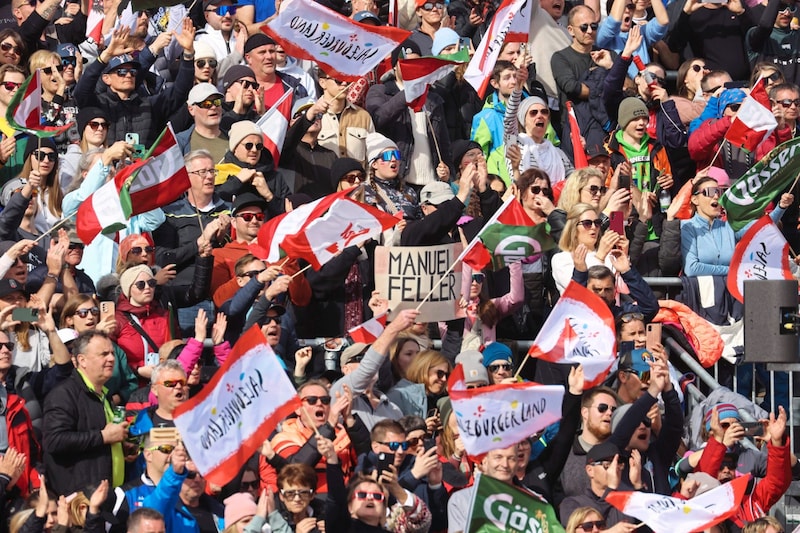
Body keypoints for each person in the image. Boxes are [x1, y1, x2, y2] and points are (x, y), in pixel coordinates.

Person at [73, 23, 197, 147]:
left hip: (144, 165)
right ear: (106, 78)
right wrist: (105, 56)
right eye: (121, 72)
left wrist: (188, 53)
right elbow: (81, 92)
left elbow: (180, 91)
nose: (128, 75)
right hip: (108, 164)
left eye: (132, 72)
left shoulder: (149, 105)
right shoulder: (99, 104)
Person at [42, 330, 129, 495]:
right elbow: (54, 441)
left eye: (112, 353)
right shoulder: (64, 394)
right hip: (79, 502)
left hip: (108, 496)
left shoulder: (104, 395)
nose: (111, 358)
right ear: (82, 360)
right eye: (103, 354)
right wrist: (103, 437)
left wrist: (120, 449)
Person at [447, 445, 520, 533]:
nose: (505, 464)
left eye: (511, 458)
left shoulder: (531, 501)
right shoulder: (461, 500)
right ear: (485, 461)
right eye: (498, 457)